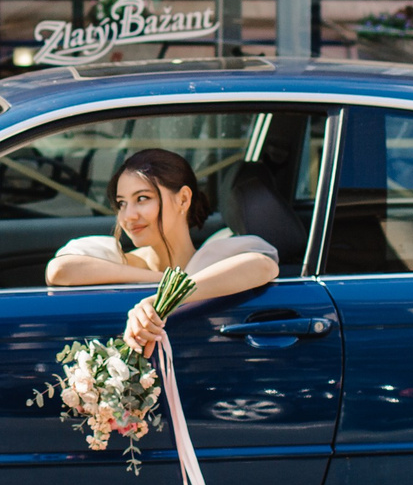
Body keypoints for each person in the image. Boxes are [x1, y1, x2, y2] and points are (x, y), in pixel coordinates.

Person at [42, 147, 279, 353]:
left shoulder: (217, 259)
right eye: (122, 203)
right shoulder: (119, 262)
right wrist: (163, 280)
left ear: (183, 199)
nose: (128, 216)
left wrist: (164, 299)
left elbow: (264, 265)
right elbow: (59, 270)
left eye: (142, 198)